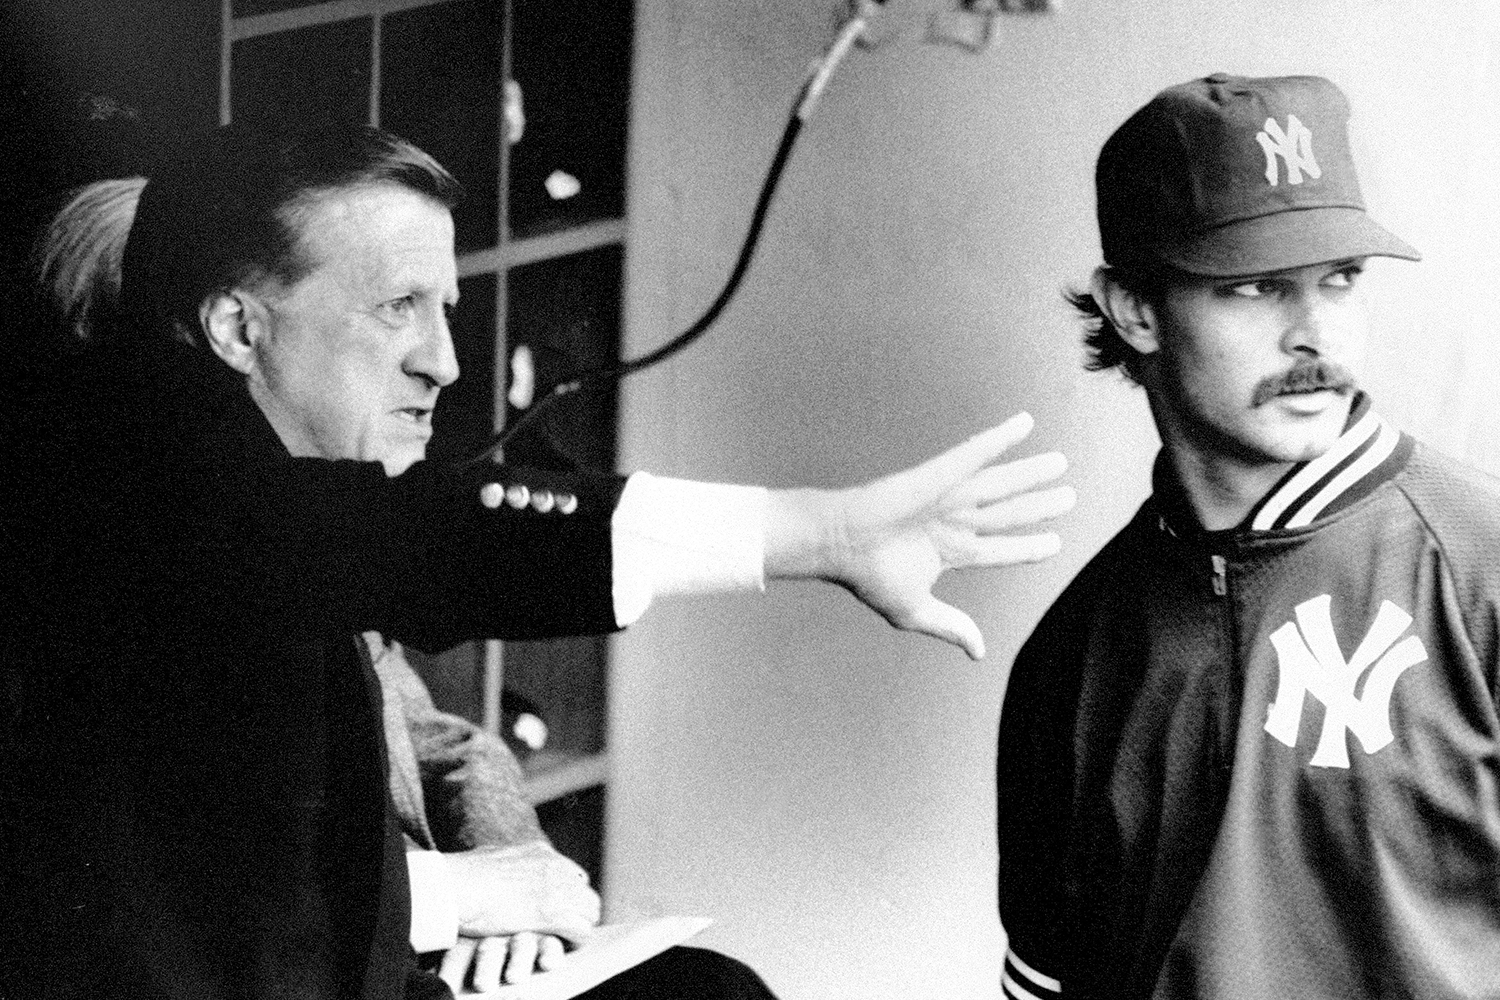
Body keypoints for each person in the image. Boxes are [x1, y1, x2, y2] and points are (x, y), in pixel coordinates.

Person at [1, 122, 1075, 1000]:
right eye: (397, 309)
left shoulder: (260, 491)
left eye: (448, 309)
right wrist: (825, 534)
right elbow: (439, 540)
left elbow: (418, 730)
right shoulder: (147, 496)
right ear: (236, 326)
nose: (446, 361)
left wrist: (508, 879)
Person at [994, 72, 1500, 1000]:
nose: (1316, 335)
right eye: (1257, 287)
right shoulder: (1069, 659)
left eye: (1340, 280)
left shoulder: (1481, 568)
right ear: (1136, 310)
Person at [31, 174, 599, 995]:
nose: (442, 363)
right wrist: (459, 897)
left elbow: (435, 741)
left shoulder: (305, 517)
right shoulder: (121, 583)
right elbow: (205, 897)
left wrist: (513, 862)